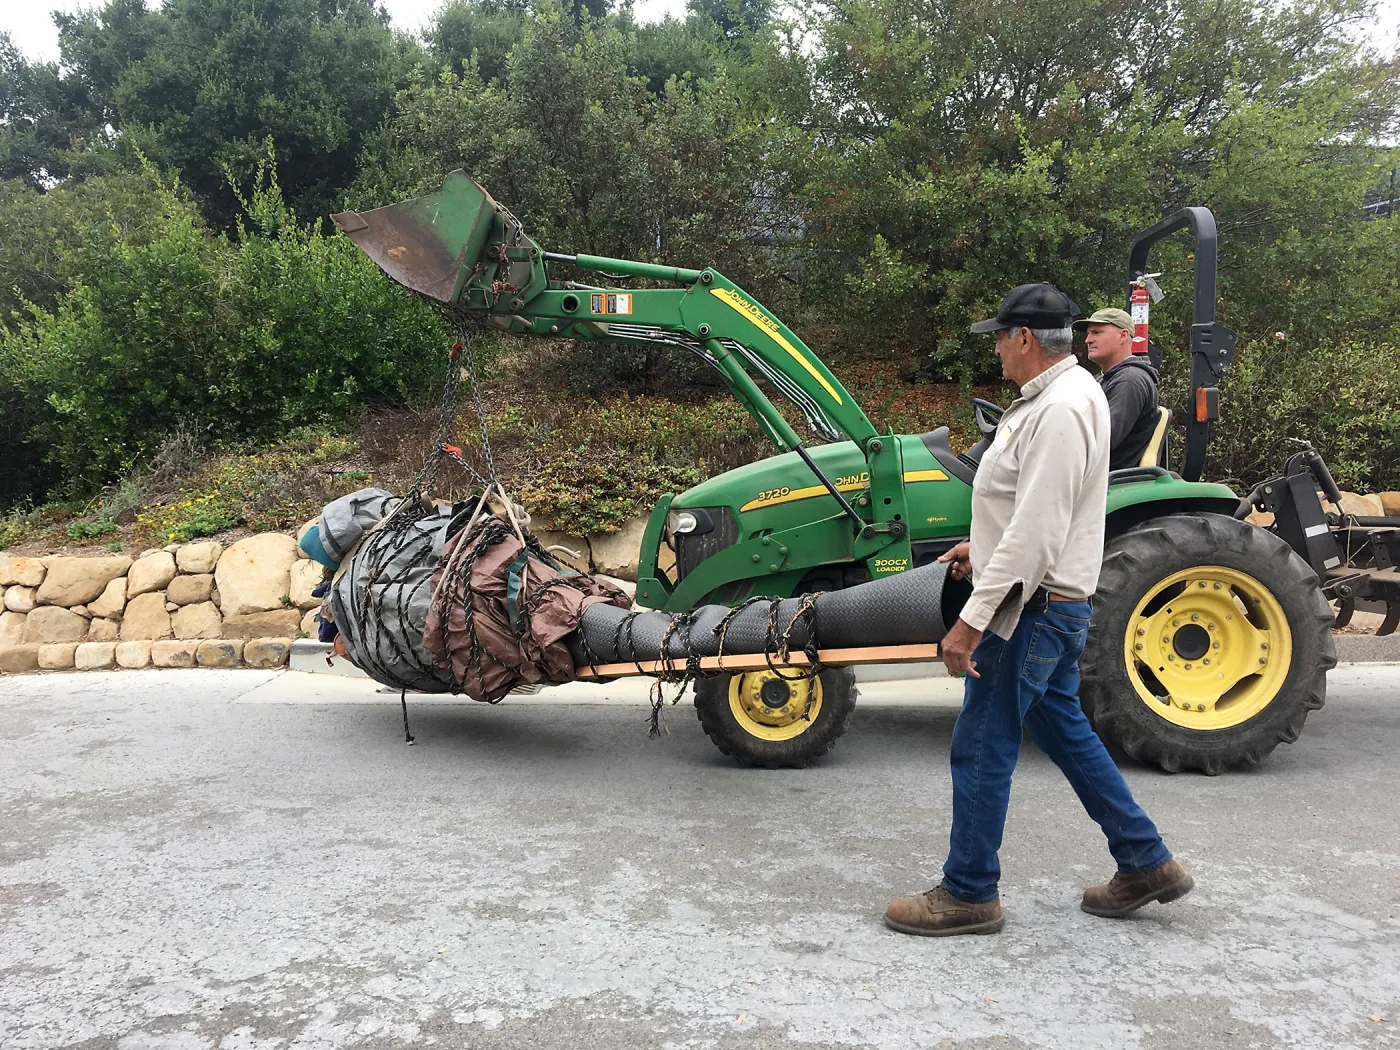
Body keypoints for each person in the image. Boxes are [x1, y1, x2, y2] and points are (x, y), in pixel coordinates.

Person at [884, 283, 1192, 938]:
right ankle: (1147, 861)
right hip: (1043, 596)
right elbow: (1030, 512)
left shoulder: (1062, 408)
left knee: (981, 743)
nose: (994, 348)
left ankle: (969, 892)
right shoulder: (1057, 399)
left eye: (998, 336)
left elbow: (1038, 532)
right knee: (1062, 729)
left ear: (1024, 339)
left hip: (1031, 606)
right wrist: (983, 544)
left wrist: (970, 623)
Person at [1075, 307, 1161, 470]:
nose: (1088, 340)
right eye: (1088, 333)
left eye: (1096, 332)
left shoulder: (1129, 380)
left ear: (1123, 336)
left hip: (1109, 482)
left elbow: (1102, 441)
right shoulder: (1104, 378)